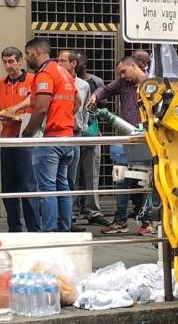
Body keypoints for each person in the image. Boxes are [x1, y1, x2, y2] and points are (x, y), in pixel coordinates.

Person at [88, 56, 154, 236]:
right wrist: (95, 96)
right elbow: (106, 90)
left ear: (133, 65)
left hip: (149, 139)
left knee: (147, 181)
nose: (122, 76)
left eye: (124, 71)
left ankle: (147, 221)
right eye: (120, 73)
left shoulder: (153, 83)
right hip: (127, 139)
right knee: (121, 178)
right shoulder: (123, 83)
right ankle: (120, 220)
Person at [21, 37, 78, 233]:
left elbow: (41, 109)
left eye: (28, 54)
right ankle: (64, 230)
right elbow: (77, 101)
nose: (26, 59)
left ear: (37, 52)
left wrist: (28, 133)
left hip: (51, 138)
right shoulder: (64, 72)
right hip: (67, 137)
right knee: (62, 185)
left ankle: (50, 233)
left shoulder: (44, 74)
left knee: (46, 188)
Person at [0, 46, 41, 233]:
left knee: (28, 186)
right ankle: (14, 228)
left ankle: (34, 229)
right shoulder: (1, 82)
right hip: (7, 138)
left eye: (11, 61)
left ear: (19, 61)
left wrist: (16, 110)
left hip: (25, 138)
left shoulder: (32, 79)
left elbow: (36, 101)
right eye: (5, 61)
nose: (8, 65)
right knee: (8, 187)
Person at [72, 52, 110, 226]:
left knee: (91, 174)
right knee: (71, 175)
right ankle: (71, 211)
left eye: (78, 61)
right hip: (72, 134)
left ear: (84, 64)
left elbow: (104, 102)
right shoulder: (65, 81)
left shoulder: (96, 82)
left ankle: (93, 211)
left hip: (91, 131)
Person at [57, 49, 90, 233]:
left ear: (73, 64)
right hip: (61, 133)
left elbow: (83, 108)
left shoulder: (83, 85)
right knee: (60, 179)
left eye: (63, 61)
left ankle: (69, 219)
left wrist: (82, 127)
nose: (59, 64)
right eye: (58, 60)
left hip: (75, 134)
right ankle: (62, 221)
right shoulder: (56, 80)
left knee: (71, 179)